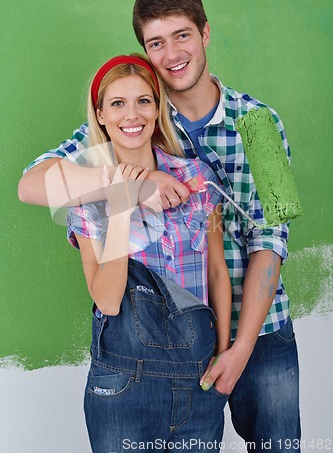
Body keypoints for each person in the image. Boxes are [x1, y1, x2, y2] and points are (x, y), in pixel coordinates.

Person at [18, 0, 301, 452]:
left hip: (261, 331)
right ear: (146, 53)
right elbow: (33, 183)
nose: (172, 52)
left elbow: (270, 241)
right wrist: (135, 185)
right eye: (156, 42)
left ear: (205, 33)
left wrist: (240, 346)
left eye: (182, 35)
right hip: (163, 347)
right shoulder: (135, 115)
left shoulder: (259, 122)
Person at [66, 53, 232, 452]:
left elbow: (217, 272)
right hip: (123, 386)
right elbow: (106, 300)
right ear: (101, 115)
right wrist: (121, 205)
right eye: (117, 104)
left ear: (158, 109)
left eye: (143, 100)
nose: (132, 114)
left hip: (201, 382)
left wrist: (224, 354)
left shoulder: (197, 179)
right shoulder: (86, 199)